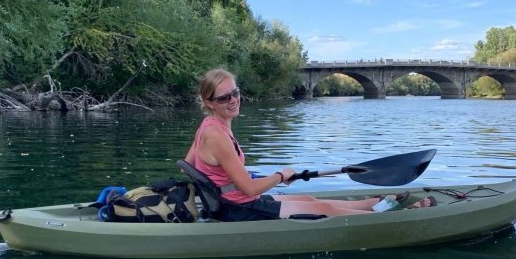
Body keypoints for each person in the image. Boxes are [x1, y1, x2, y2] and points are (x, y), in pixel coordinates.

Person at [184, 68, 433, 221]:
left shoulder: (208, 126)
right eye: (224, 97)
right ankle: (392, 218)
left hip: (232, 202)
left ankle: (373, 204)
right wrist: (280, 175)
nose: (233, 100)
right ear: (209, 102)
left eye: (235, 93)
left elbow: (188, 166)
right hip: (238, 209)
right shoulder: (216, 135)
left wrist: (221, 183)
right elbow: (249, 189)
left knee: (308, 198)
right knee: (321, 208)